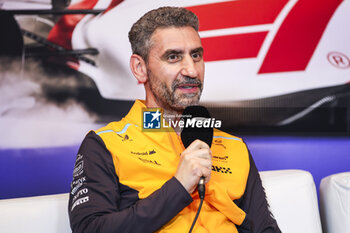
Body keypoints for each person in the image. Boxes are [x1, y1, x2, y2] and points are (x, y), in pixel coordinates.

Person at [68, 7, 281, 233]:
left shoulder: (234, 147)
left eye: (196, 55)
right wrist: (179, 187)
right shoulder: (106, 145)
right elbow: (91, 229)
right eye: (173, 57)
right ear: (140, 69)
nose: (191, 70)